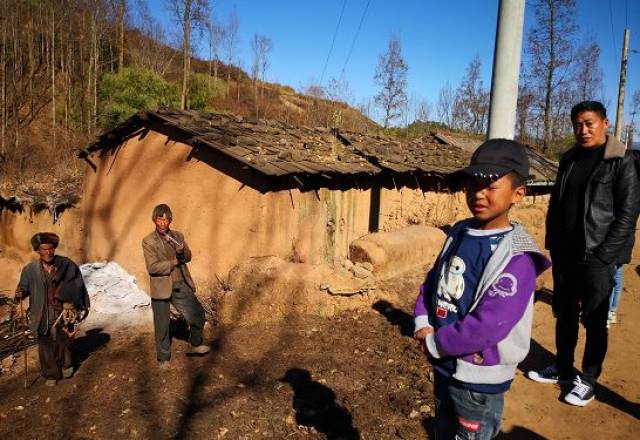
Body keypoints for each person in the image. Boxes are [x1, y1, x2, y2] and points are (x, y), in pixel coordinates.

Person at [413, 139, 551, 439]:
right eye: (472, 185)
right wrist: (422, 321)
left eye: (490, 186)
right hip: (444, 365)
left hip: (477, 379)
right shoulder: (461, 231)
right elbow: (434, 281)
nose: (478, 194)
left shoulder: (517, 257)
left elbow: (490, 325)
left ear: (518, 193)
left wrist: (435, 343)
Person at [527, 101, 640, 406]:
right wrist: (552, 241)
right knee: (563, 315)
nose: (583, 130)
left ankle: (588, 379)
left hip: (598, 256)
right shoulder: (569, 159)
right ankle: (563, 368)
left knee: (594, 318)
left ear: (605, 123)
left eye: (589, 123)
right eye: (578, 124)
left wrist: (605, 255)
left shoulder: (621, 161)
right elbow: (557, 203)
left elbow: (628, 214)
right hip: (566, 253)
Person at [15, 232, 90, 386]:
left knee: (64, 340)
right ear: (38, 251)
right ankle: (51, 373)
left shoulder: (66, 264)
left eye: (50, 249)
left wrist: (71, 301)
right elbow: (24, 287)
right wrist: (20, 293)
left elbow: (77, 283)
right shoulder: (30, 270)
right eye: (43, 250)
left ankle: (66, 365)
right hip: (41, 311)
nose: (48, 252)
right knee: (45, 343)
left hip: (63, 310)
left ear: (54, 249)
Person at [142, 204, 210, 369]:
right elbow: (152, 267)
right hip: (161, 287)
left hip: (180, 283)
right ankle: (163, 358)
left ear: (170, 220)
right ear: (154, 219)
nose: (163, 222)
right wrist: (174, 261)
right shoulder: (148, 241)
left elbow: (188, 257)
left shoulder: (178, 235)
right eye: (160, 218)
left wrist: (181, 251)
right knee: (162, 325)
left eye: (166, 219)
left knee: (198, 314)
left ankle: (195, 343)